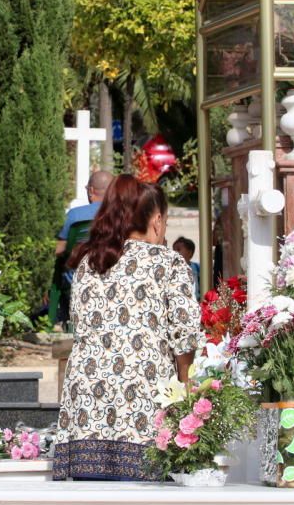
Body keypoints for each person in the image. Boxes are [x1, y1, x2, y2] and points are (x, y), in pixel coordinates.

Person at [53, 175, 203, 482]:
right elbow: (184, 335)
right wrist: (186, 392)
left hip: (87, 401)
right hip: (141, 399)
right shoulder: (168, 262)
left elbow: (79, 324)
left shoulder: (90, 260)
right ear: (157, 220)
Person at [55, 170, 114, 256]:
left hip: (76, 267)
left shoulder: (74, 214)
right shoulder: (121, 215)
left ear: (91, 190)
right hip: (109, 267)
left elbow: (60, 246)